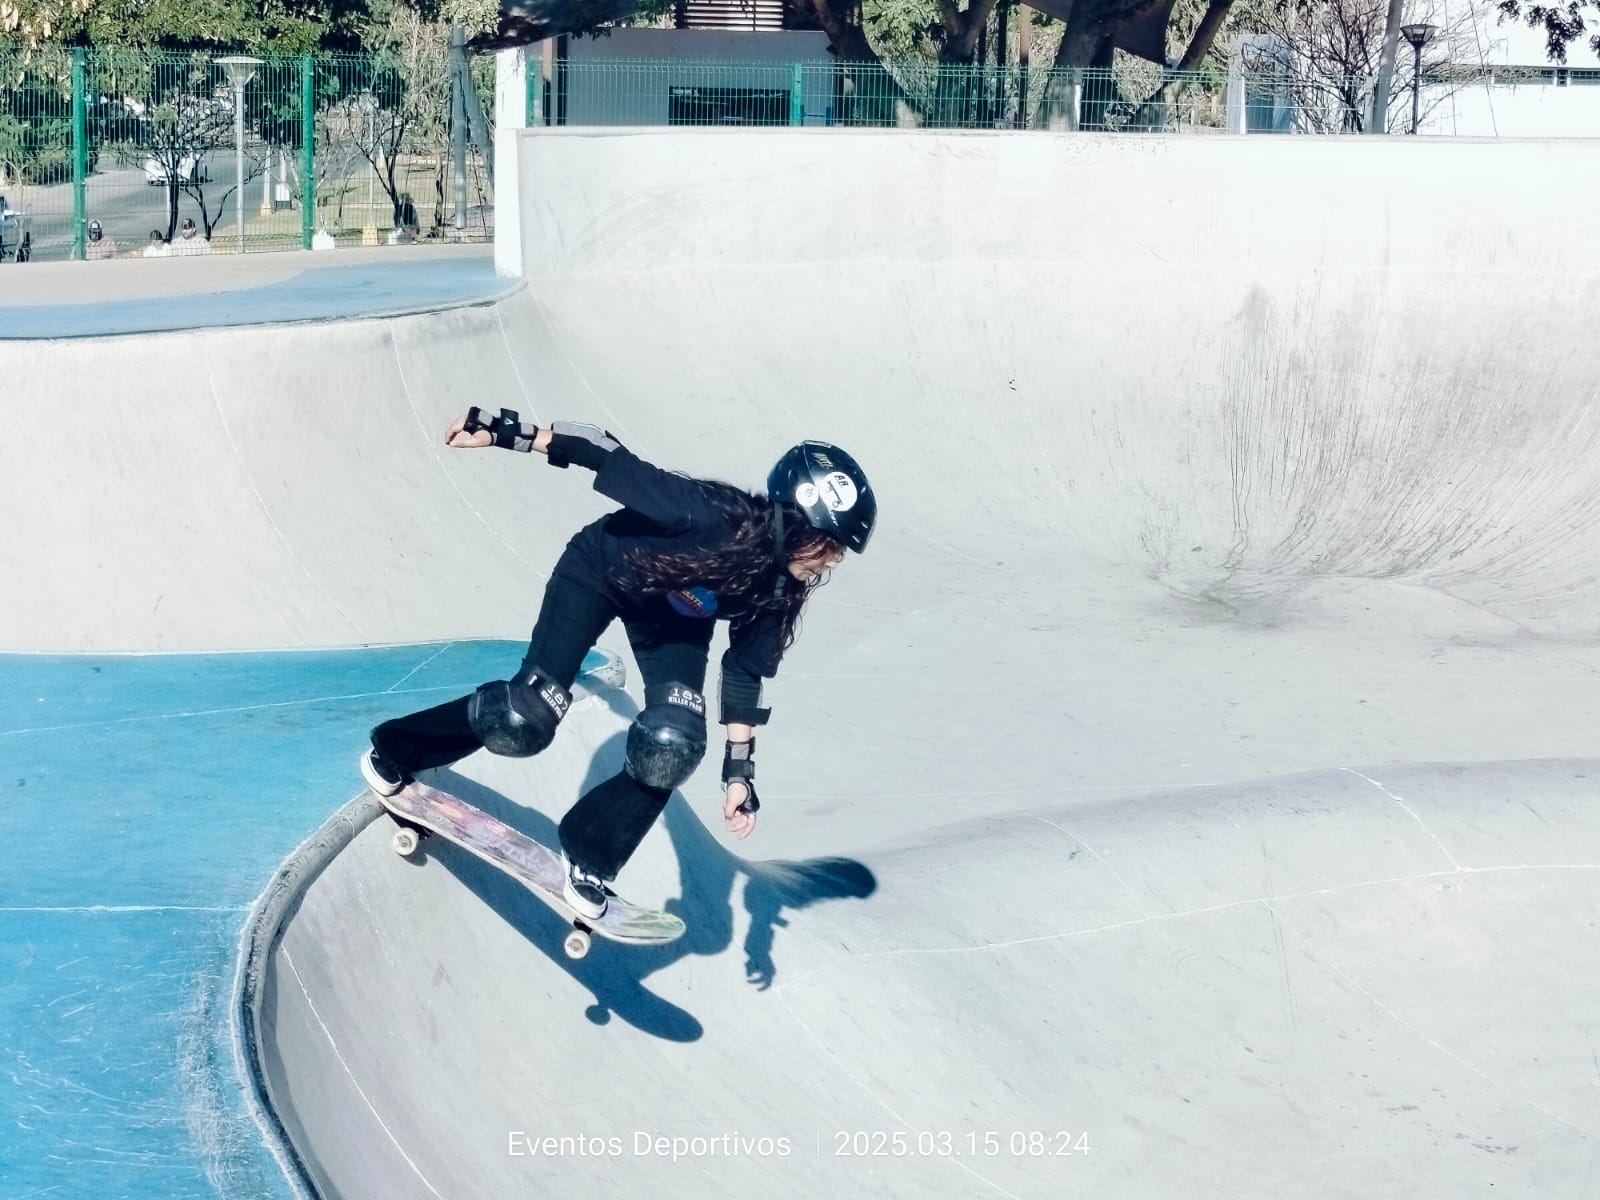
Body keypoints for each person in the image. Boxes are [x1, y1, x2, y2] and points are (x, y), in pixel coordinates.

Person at [361, 411, 877, 919]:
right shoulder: (712, 514)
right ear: (791, 516)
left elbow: (744, 672)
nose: (831, 560)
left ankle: (589, 857)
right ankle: (396, 749)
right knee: (524, 719)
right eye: (828, 544)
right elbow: (602, 450)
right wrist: (504, 431)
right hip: (598, 573)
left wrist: (738, 773)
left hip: (673, 624)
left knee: (674, 745)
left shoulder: (783, 588)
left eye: (839, 553)